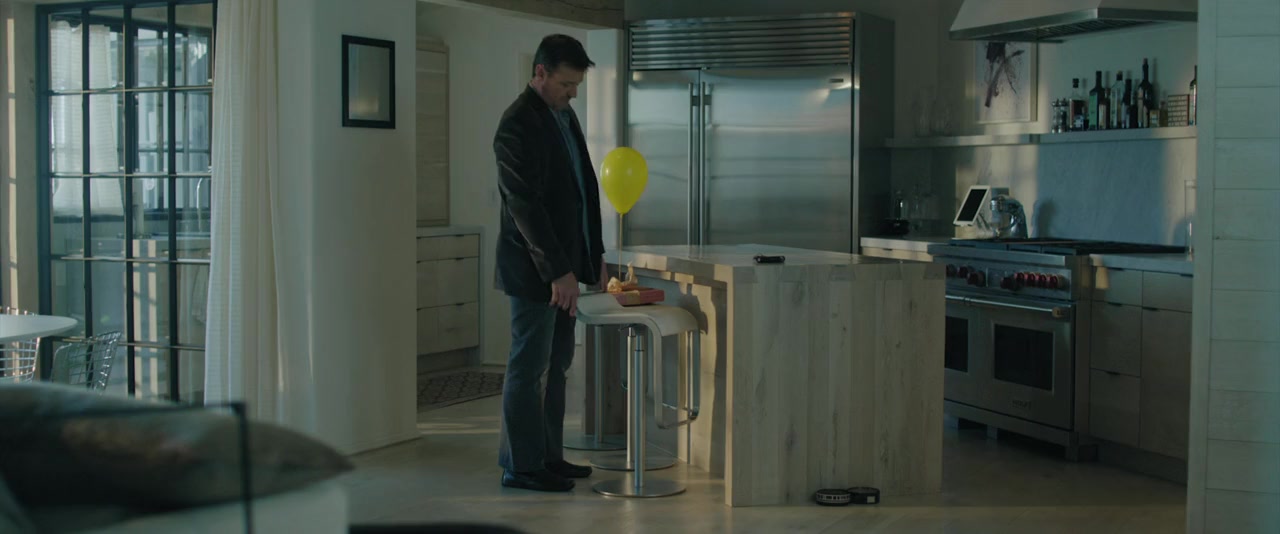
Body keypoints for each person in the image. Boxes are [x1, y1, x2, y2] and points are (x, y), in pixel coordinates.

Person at [492, 34, 608, 492]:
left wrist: (594, 256)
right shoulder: (516, 124)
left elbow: (583, 191)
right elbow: (525, 206)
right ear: (540, 72)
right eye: (566, 84)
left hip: (567, 269)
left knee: (556, 366)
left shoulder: (563, 116)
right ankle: (521, 467)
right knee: (529, 368)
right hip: (535, 272)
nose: (573, 93)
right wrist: (558, 271)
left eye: (577, 85)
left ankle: (548, 457)